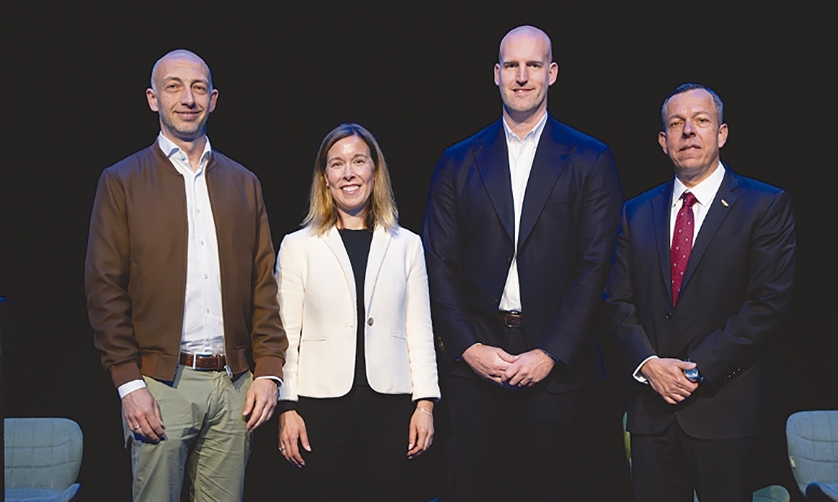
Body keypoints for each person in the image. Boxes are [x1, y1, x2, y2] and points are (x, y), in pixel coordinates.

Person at [422, 25, 623, 501]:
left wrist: (550, 352)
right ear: (496, 74)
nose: (522, 76)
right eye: (511, 65)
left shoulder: (591, 158)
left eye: (533, 65)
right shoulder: (458, 161)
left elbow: (597, 263)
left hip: (555, 365)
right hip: (474, 365)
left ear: (551, 73)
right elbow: (438, 262)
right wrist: (468, 347)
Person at [85, 49, 287, 501]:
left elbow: (263, 285)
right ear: (153, 99)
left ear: (213, 99)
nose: (187, 98)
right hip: (160, 384)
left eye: (198, 88)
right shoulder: (122, 181)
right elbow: (104, 288)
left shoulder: (243, 182)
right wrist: (129, 383)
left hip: (235, 384)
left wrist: (269, 371)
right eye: (174, 86)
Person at [603, 83, 797, 501]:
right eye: (676, 124)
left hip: (724, 412)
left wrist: (694, 369)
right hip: (651, 412)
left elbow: (766, 305)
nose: (688, 131)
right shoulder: (636, 212)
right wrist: (649, 365)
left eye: (701, 121)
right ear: (663, 141)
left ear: (722, 134)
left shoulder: (764, 206)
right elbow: (615, 302)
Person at [275, 123, 440, 501]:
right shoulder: (298, 246)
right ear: (325, 178)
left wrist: (425, 404)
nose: (349, 172)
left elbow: (419, 330)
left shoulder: (407, 245)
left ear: (374, 172)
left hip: (392, 408)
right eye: (337, 164)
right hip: (320, 408)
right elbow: (285, 333)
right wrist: (287, 407)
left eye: (359, 161)